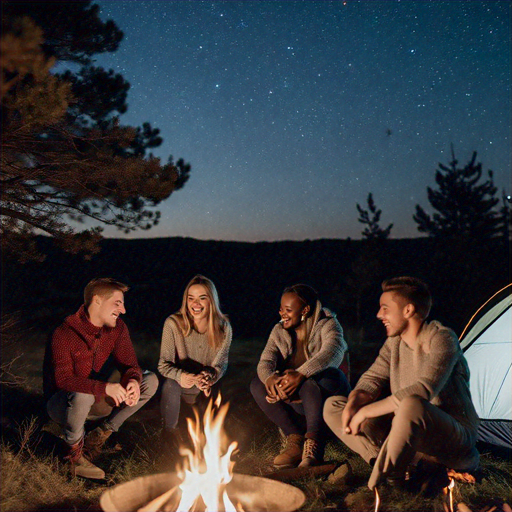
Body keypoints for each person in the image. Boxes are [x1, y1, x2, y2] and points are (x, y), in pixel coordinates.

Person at [324, 277, 480, 492]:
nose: (380, 315)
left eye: (385, 309)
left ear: (408, 310)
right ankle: (382, 462)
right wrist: (354, 404)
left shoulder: (442, 339)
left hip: (451, 436)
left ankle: (392, 474)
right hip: (408, 427)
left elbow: (424, 390)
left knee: (411, 404)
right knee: (333, 405)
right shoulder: (394, 343)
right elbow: (372, 379)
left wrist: (366, 411)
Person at [44, 278, 158, 480]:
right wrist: (105, 388)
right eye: (117, 303)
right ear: (96, 301)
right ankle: (72, 452)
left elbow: (131, 365)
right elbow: (63, 380)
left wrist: (132, 381)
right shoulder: (63, 333)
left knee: (150, 380)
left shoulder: (117, 328)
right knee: (83, 393)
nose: (123, 310)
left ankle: (99, 435)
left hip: (97, 400)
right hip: (62, 405)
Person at [250, 284, 350, 469]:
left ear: (305, 310)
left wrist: (301, 374)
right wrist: (271, 380)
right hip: (298, 399)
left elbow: (333, 351)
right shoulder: (279, 331)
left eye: (288, 310)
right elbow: (265, 361)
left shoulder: (328, 324)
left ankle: (314, 443)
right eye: (281, 309)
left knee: (311, 382)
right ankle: (295, 439)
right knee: (257, 384)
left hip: (327, 393)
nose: (282, 314)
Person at [158, 275, 232, 451]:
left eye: (202, 298)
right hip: (180, 384)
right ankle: (170, 434)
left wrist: (210, 376)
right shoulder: (173, 323)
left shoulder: (223, 327)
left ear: (211, 301)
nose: (195, 304)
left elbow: (221, 364)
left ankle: (211, 436)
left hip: (204, 388)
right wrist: (181, 376)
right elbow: (163, 364)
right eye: (191, 298)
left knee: (220, 390)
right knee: (170, 384)